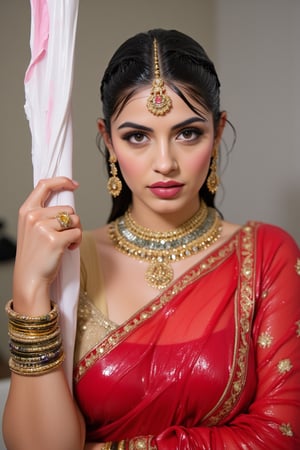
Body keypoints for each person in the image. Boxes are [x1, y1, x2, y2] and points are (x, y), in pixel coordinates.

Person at [2, 28, 300, 450]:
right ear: (108, 140)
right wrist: (30, 290)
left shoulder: (267, 255)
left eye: (188, 133)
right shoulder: (68, 260)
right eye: (137, 136)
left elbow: (280, 437)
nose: (165, 162)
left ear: (217, 133)